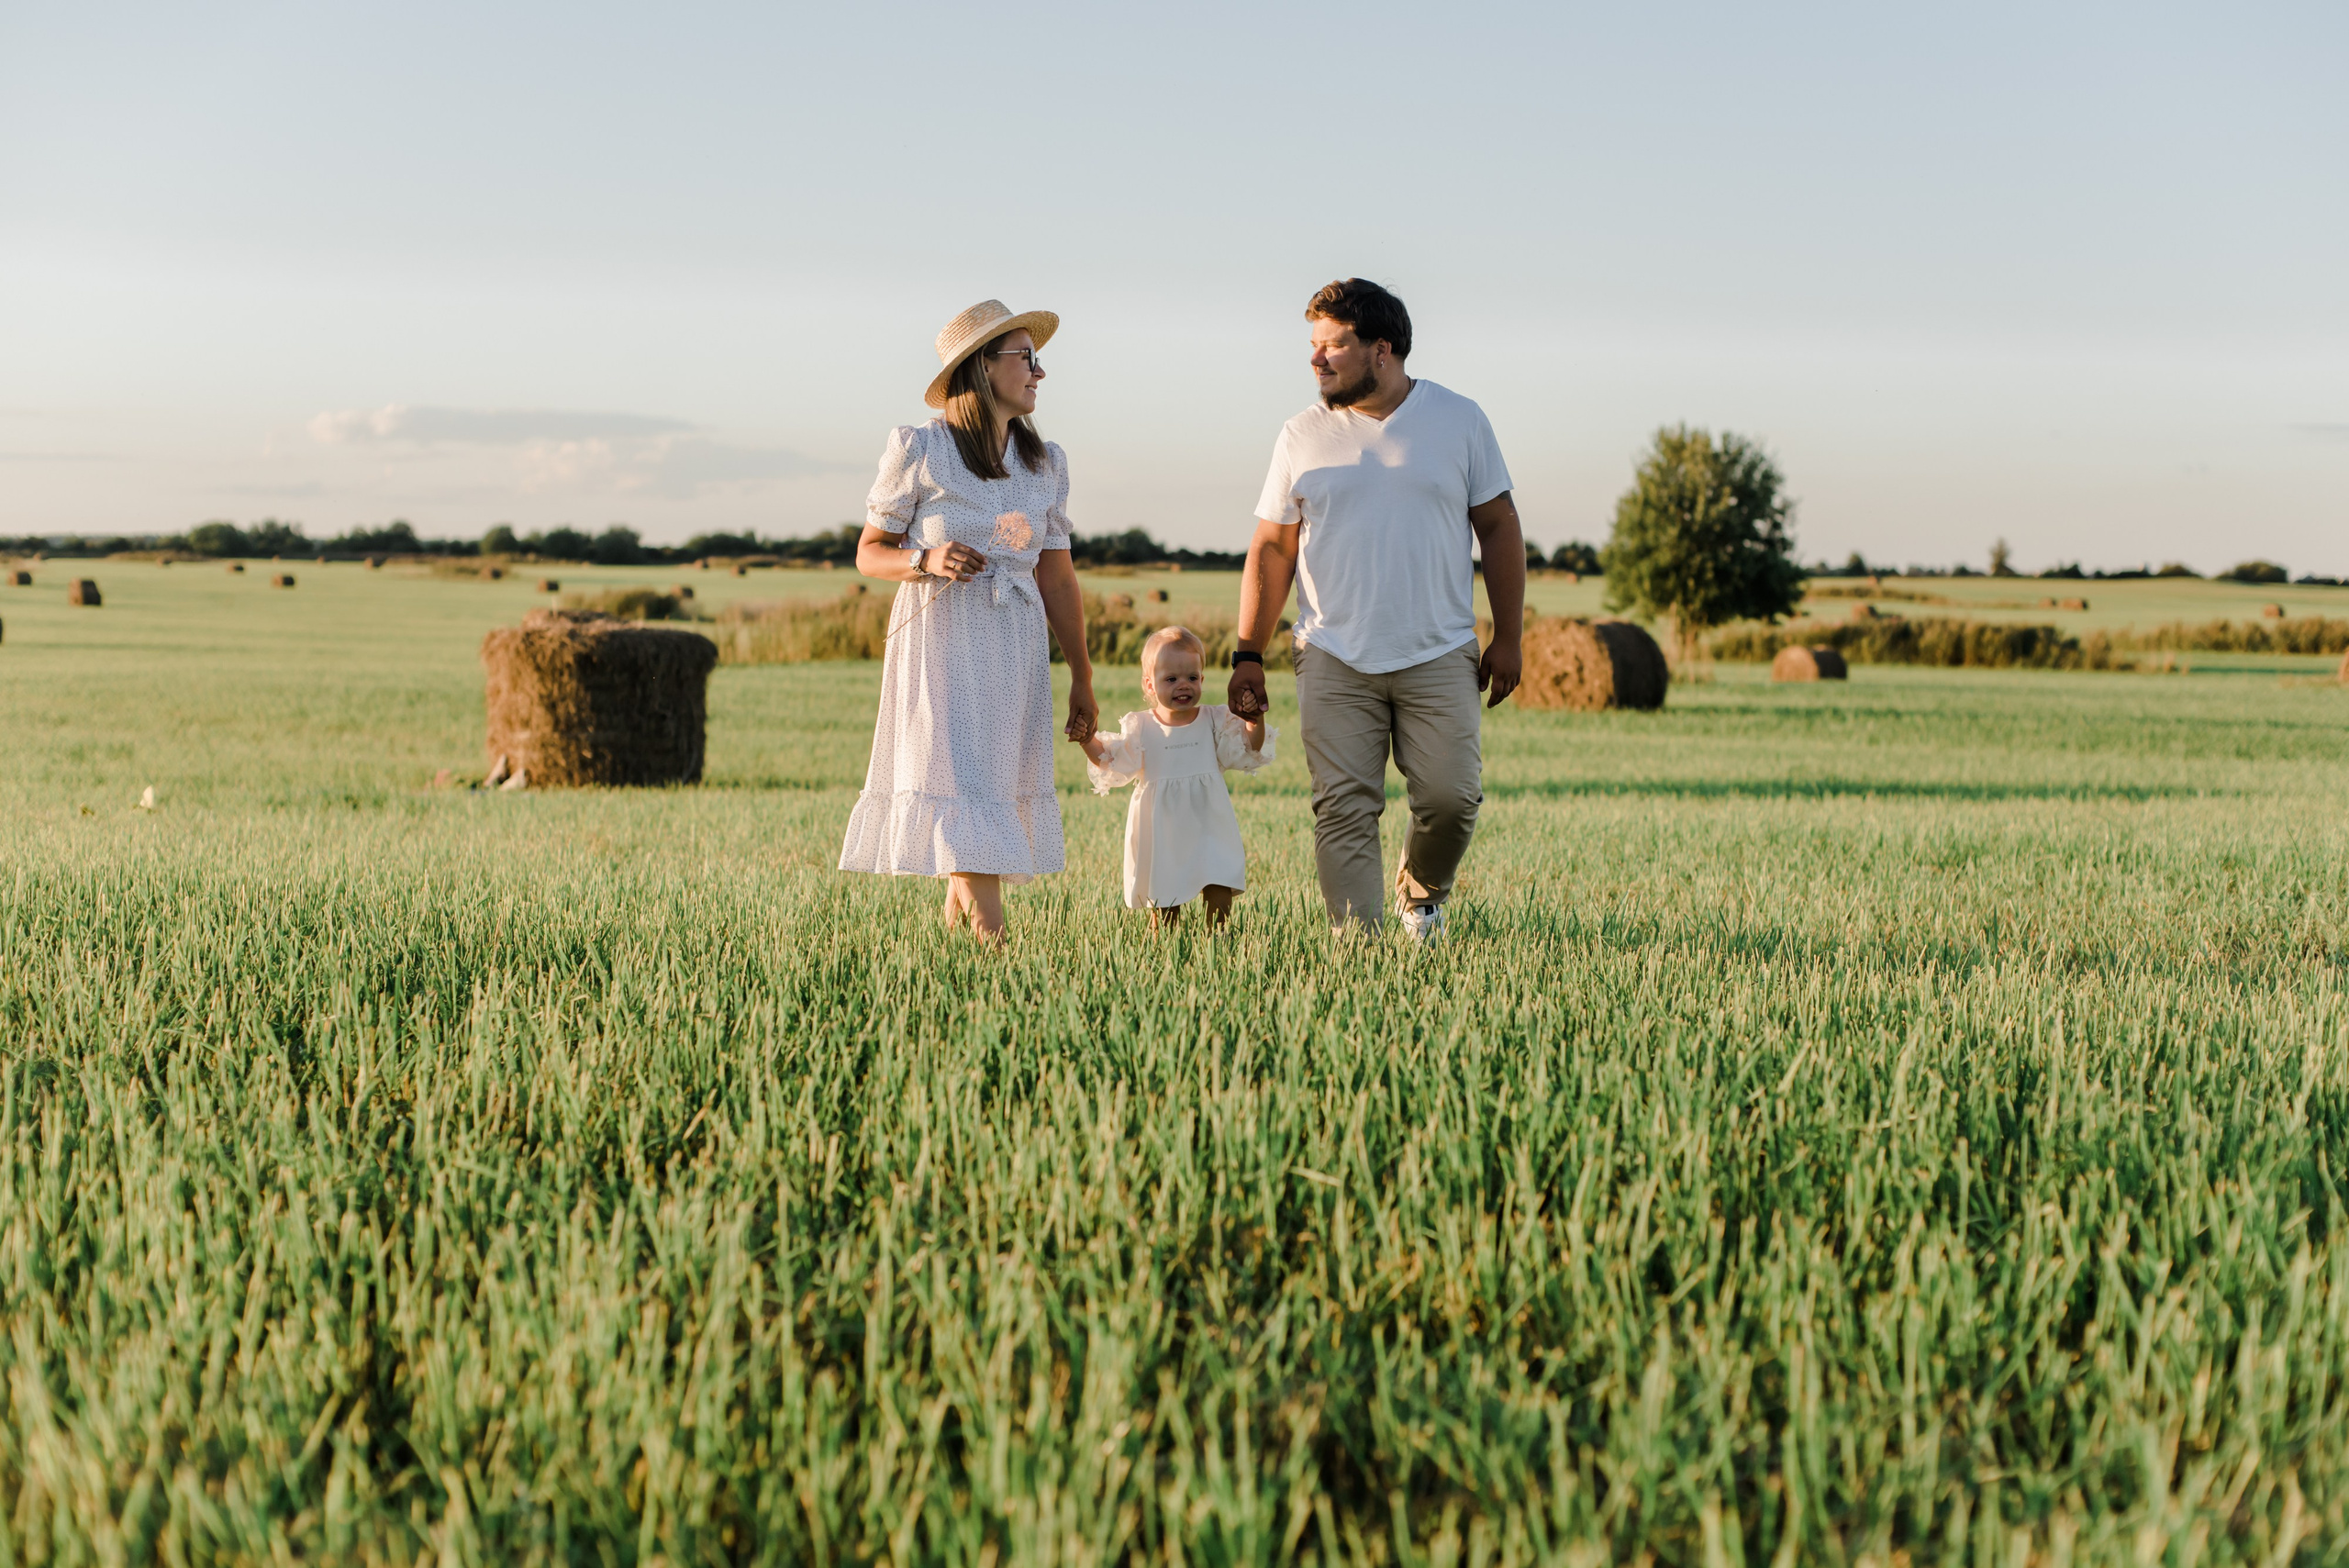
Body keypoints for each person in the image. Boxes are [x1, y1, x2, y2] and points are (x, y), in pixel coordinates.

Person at [1227, 278, 1525, 944]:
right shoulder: (1300, 434)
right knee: (1342, 806)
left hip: (1441, 649)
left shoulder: (1460, 420)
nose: (1316, 359)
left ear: (1381, 349)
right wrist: (1249, 652)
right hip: (1331, 651)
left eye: (1334, 345)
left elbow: (1500, 527)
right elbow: (1273, 548)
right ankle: (1356, 945)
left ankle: (1420, 897)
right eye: (1313, 345)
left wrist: (1509, 637)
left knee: (1452, 798)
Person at [838, 299, 1097, 942]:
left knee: (986, 791)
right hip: (942, 644)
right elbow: (869, 552)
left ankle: (961, 951)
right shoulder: (920, 449)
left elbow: (1058, 577)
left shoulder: (1046, 465)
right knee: (965, 785)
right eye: (1026, 358)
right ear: (982, 368)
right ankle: (993, 941)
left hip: (1014, 647)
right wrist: (924, 557)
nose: (1040, 373)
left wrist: (1083, 678)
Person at [1081, 625, 1274, 928]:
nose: (1183, 685)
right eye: (1171, 679)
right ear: (1149, 684)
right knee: (1166, 894)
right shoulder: (1142, 726)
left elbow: (1249, 749)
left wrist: (1254, 720)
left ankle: (1217, 940)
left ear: (1202, 679)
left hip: (1209, 820)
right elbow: (1111, 762)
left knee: (1219, 881)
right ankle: (1167, 946)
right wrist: (1086, 739)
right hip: (1164, 828)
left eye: (1192, 678)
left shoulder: (1214, 719)